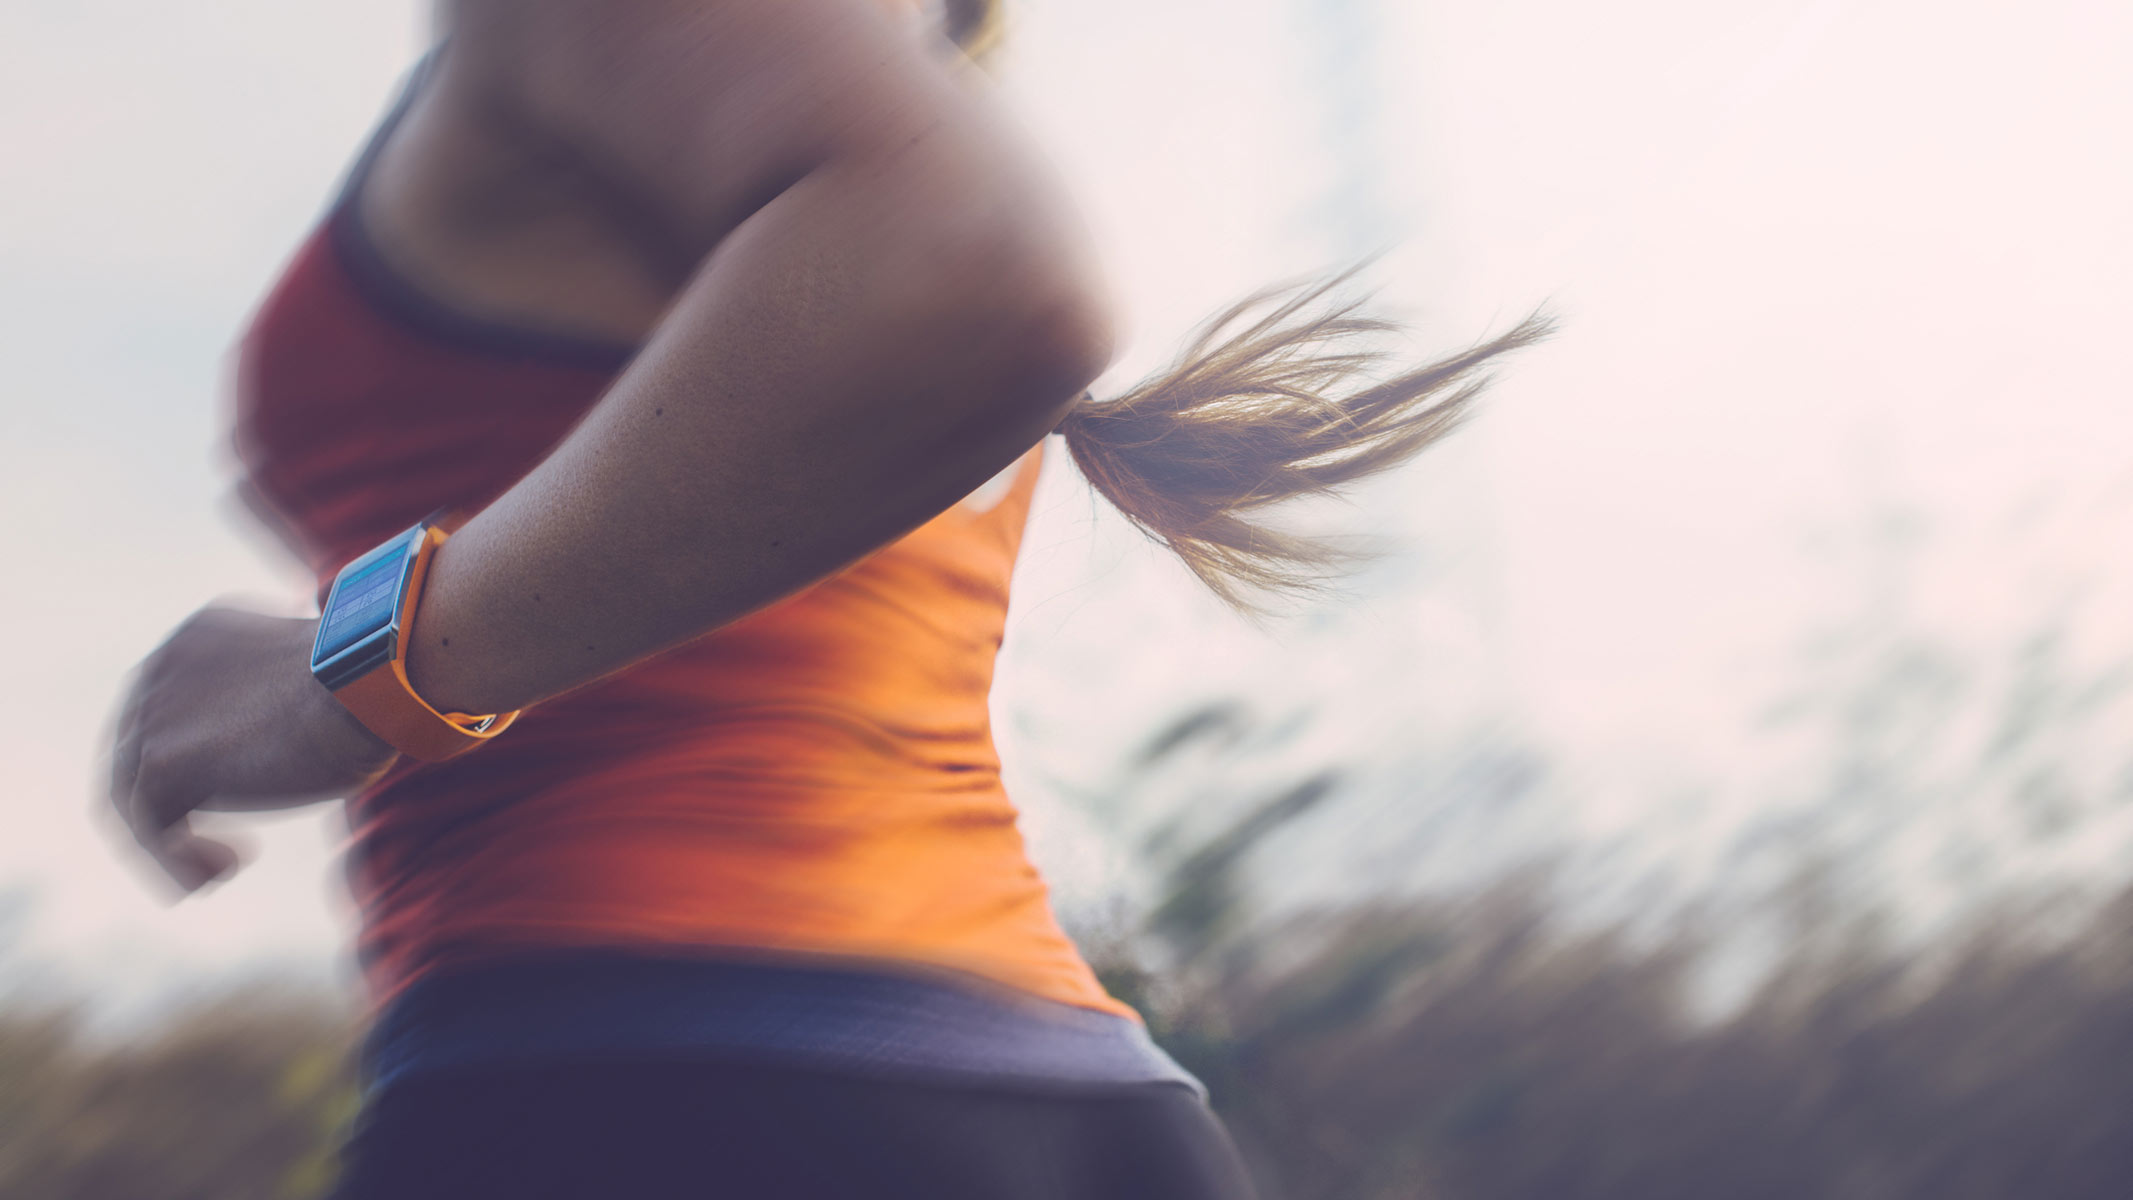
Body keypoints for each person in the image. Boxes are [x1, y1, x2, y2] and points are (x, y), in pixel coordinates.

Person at [101, 0, 1546, 1195]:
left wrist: (341, 683)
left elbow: (978, 267)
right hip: (1059, 1114)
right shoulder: (804, 92)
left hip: (649, 1103)